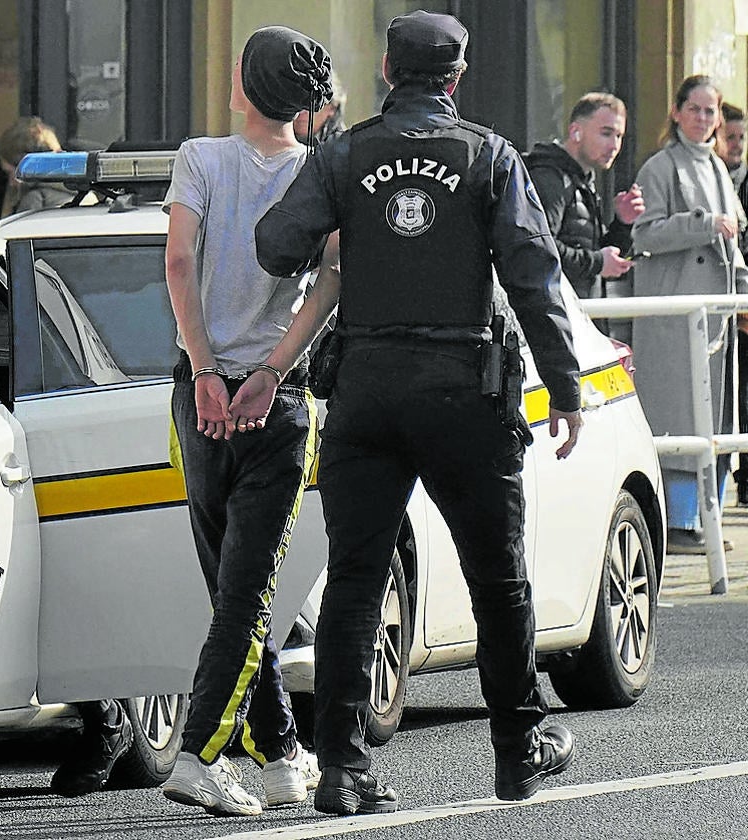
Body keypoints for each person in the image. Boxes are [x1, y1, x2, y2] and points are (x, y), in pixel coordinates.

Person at [255, 9, 582, 815]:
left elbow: (274, 245)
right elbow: (535, 277)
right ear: (457, 77)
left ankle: (342, 766)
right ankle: (518, 748)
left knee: (356, 579)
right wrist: (567, 387)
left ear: (387, 73)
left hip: (365, 385)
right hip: (464, 387)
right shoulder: (489, 156)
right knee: (497, 576)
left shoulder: (345, 151)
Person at [157, 25, 337, 817]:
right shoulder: (319, 172)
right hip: (277, 402)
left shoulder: (201, 157)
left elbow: (178, 262)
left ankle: (233, 752)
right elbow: (333, 281)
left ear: (243, 84)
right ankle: (253, 753)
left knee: (233, 589)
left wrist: (204, 369)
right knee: (248, 591)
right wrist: (269, 372)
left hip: (196, 397)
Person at [630, 75, 748, 553]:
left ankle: (706, 518)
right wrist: (701, 224)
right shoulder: (659, 168)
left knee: (715, 421)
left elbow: (733, 243)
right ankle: (678, 522)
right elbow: (644, 234)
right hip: (677, 314)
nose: (703, 118)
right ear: (676, 112)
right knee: (679, 417)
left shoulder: (719, 169)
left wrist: (742, 290)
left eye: (710, 110)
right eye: (695, 109)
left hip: (716, 315)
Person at [524, 92, 644, 300]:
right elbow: (539, 249)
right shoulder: (550, 177)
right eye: (606, 133)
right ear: (576, 132)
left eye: (619, 136)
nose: (615, 146)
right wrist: (598, 262)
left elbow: (593, 250)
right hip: (554, 311)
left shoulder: (582, 179)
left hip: (578, 310)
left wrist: (623, 223)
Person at [717, 103, 748, 506]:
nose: (737, 145)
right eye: (731, 136)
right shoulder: (712, 175)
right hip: (726, 304)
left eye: (742, 137)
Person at [0, 116, 74, 218]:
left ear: (26, 167)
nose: (11, 182)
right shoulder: (87, 194)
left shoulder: (35, 200)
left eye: (9, 173)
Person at [295, 69, 346, 147]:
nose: (301, 111)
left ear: (331, 108)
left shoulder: (344, 148)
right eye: (296, 102)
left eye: (311, 103)